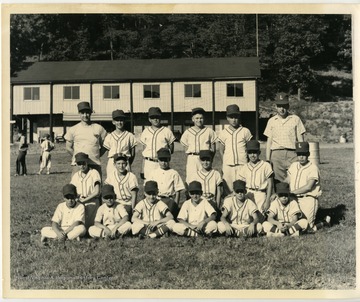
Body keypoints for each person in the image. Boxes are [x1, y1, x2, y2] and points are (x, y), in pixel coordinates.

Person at [287, 142, 330, 232]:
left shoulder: (313, 168)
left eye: (304, 154)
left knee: (307, 228)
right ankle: (318, 216)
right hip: (294, 199)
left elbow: (308, 187)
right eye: (299, 154)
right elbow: (287, 180)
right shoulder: (294, 165)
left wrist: (291, 193)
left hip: (308, 199)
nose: (301, 157)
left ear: (308, 154)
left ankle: (324, 222)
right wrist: (280, 190)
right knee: (291, 222)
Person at [263, 92, 306, 183]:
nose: (281, 109)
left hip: (293, 154)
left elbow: (301, 140)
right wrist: (268, 159)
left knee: (295, 178)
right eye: (279, 106)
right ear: (275, 107)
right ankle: (280, 196)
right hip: (277, 155)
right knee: (278, 181)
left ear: (288, 106)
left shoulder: (295, 119)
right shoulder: (271, 121)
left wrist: (302, 154)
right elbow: (269, 142)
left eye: (284, 106)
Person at [64, 101, 107, 178]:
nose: (85, 115)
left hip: (94, 163)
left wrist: (96, 155)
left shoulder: (98, 128)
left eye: (87, 113)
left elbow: (105, 145)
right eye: (82, 113)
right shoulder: (73, 129)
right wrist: (77, 157)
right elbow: (68, 147)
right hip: (78, 164)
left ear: (90, 113)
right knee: (77, 187)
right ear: (79, 114)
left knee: (95, 187)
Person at [217, 104, 252, 195]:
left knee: (242, 187)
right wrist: (223, 163)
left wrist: (248, 162)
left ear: (239, 117)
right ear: (227, 118)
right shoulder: (223, 133)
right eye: (231, 117)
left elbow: (250, 148)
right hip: (228, 165)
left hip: (242, 163)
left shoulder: (245, 131)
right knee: (228, 189)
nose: (234, 119)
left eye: (236, 117)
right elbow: (221, 150)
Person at [180, 107, 217, 184]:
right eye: (196, 118)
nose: (199, 120)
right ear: (193, 119)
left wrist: (210, 159)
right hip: (192, 158)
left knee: (205, 178)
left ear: (204, 119)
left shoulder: (209, 131)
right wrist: (191, 155)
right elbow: (185, 147)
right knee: (191, 178)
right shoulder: (188, 132)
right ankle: (190, 195)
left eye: (201, 118)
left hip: (205, 158)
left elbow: (213, 148)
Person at [146, 148, 185, 219]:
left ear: (169, 159)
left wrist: (175, 205)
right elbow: (147, 190)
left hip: (169, 200)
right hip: (156, 199)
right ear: (158, 160)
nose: (163, 163)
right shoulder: (153, 172)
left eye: (166, 160)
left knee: (168, 219)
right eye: (161, 160)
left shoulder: (174, 173)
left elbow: (178, 191)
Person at [238, 140, 274, 216]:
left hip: (260, 194)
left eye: (255, 152)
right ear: (247, 153)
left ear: (259, 153)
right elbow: (241, 184)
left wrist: (267, 201)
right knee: (248, 217)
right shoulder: (244, 167)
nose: (252, 155)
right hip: (248, 193)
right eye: (250, 153)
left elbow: (270, 184)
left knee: (260, 218)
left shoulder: (265, 165)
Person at [140, 107, 176, 180]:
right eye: (153, 118)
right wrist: (142, 168)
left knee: (162, 185)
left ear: (160, 118)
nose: (155, 119)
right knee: (149, 186)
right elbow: (144, 153)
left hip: (161, 163)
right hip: (149, 163)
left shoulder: (167, 131)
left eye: (157, 117)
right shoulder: (145, 131)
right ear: (149, 119)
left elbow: (171, 150)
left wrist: (166, 151)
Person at [187, 150, 223, 218]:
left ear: (211, 160)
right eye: (203, 160)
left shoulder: (216, 173)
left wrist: (217, 206)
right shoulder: (195, 175)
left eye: (208, 160)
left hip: (211, 201)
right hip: (200, 201)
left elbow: (219, 192)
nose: (205, 162)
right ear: (200, 161)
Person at [70, 152, 101, 230]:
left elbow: (97, 191)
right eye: (79, 164)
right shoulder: (76, 175)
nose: (82, 166)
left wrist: (84, 200)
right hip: (80, 202)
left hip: (92, 202)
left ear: (87, 162)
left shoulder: (94, 173)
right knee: (78, 227)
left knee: (89, 227)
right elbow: (71, 190)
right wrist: (76, 199)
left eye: (84, 163)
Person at [103, 109, 137, 178]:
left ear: (124, 121)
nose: (119, 122)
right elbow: (108, 152)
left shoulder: (129, 135)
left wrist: (127, 162)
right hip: (112, 162)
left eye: (121, 120)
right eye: (117, 120)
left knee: (126, 183)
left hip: (125, 162)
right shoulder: (109, 136)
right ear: (113, 122)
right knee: (111, 183)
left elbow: (132, 153)